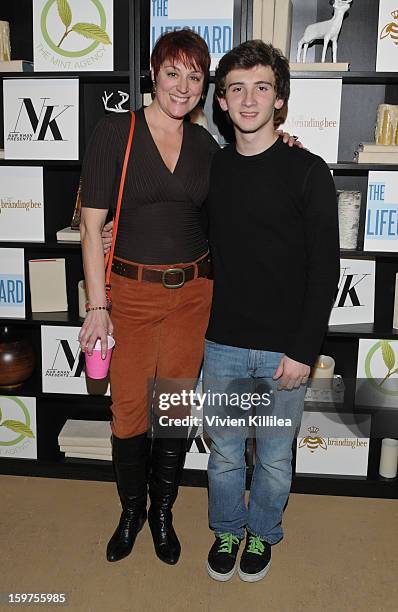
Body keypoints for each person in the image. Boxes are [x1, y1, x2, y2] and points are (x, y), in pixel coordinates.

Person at [83, 30, 298, 567]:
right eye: (173, 72)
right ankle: (132, 510)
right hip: (128, 296)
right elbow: (91, 229)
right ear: (153, 74)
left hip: (192, 297)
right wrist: (96, 306)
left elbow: (244, 185)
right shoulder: (118, 132)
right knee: (129, 412)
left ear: (206, 88)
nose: (183, 85)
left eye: (195, 76)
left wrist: (286, 148)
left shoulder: (206, 146)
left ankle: (164, 514)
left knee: (173, 411)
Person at [203, 40, 340, 583]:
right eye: (236, 88)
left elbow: (325, 269)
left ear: (280, 100)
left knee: (276, 459)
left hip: (286, 349)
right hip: (224, 346)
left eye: (262, 87)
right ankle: (229, 528)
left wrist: (304, 349)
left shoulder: (309, 170)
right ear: (221, 101)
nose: (249, 98)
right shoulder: (211, 170)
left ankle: (263, 532)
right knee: (225, 458)